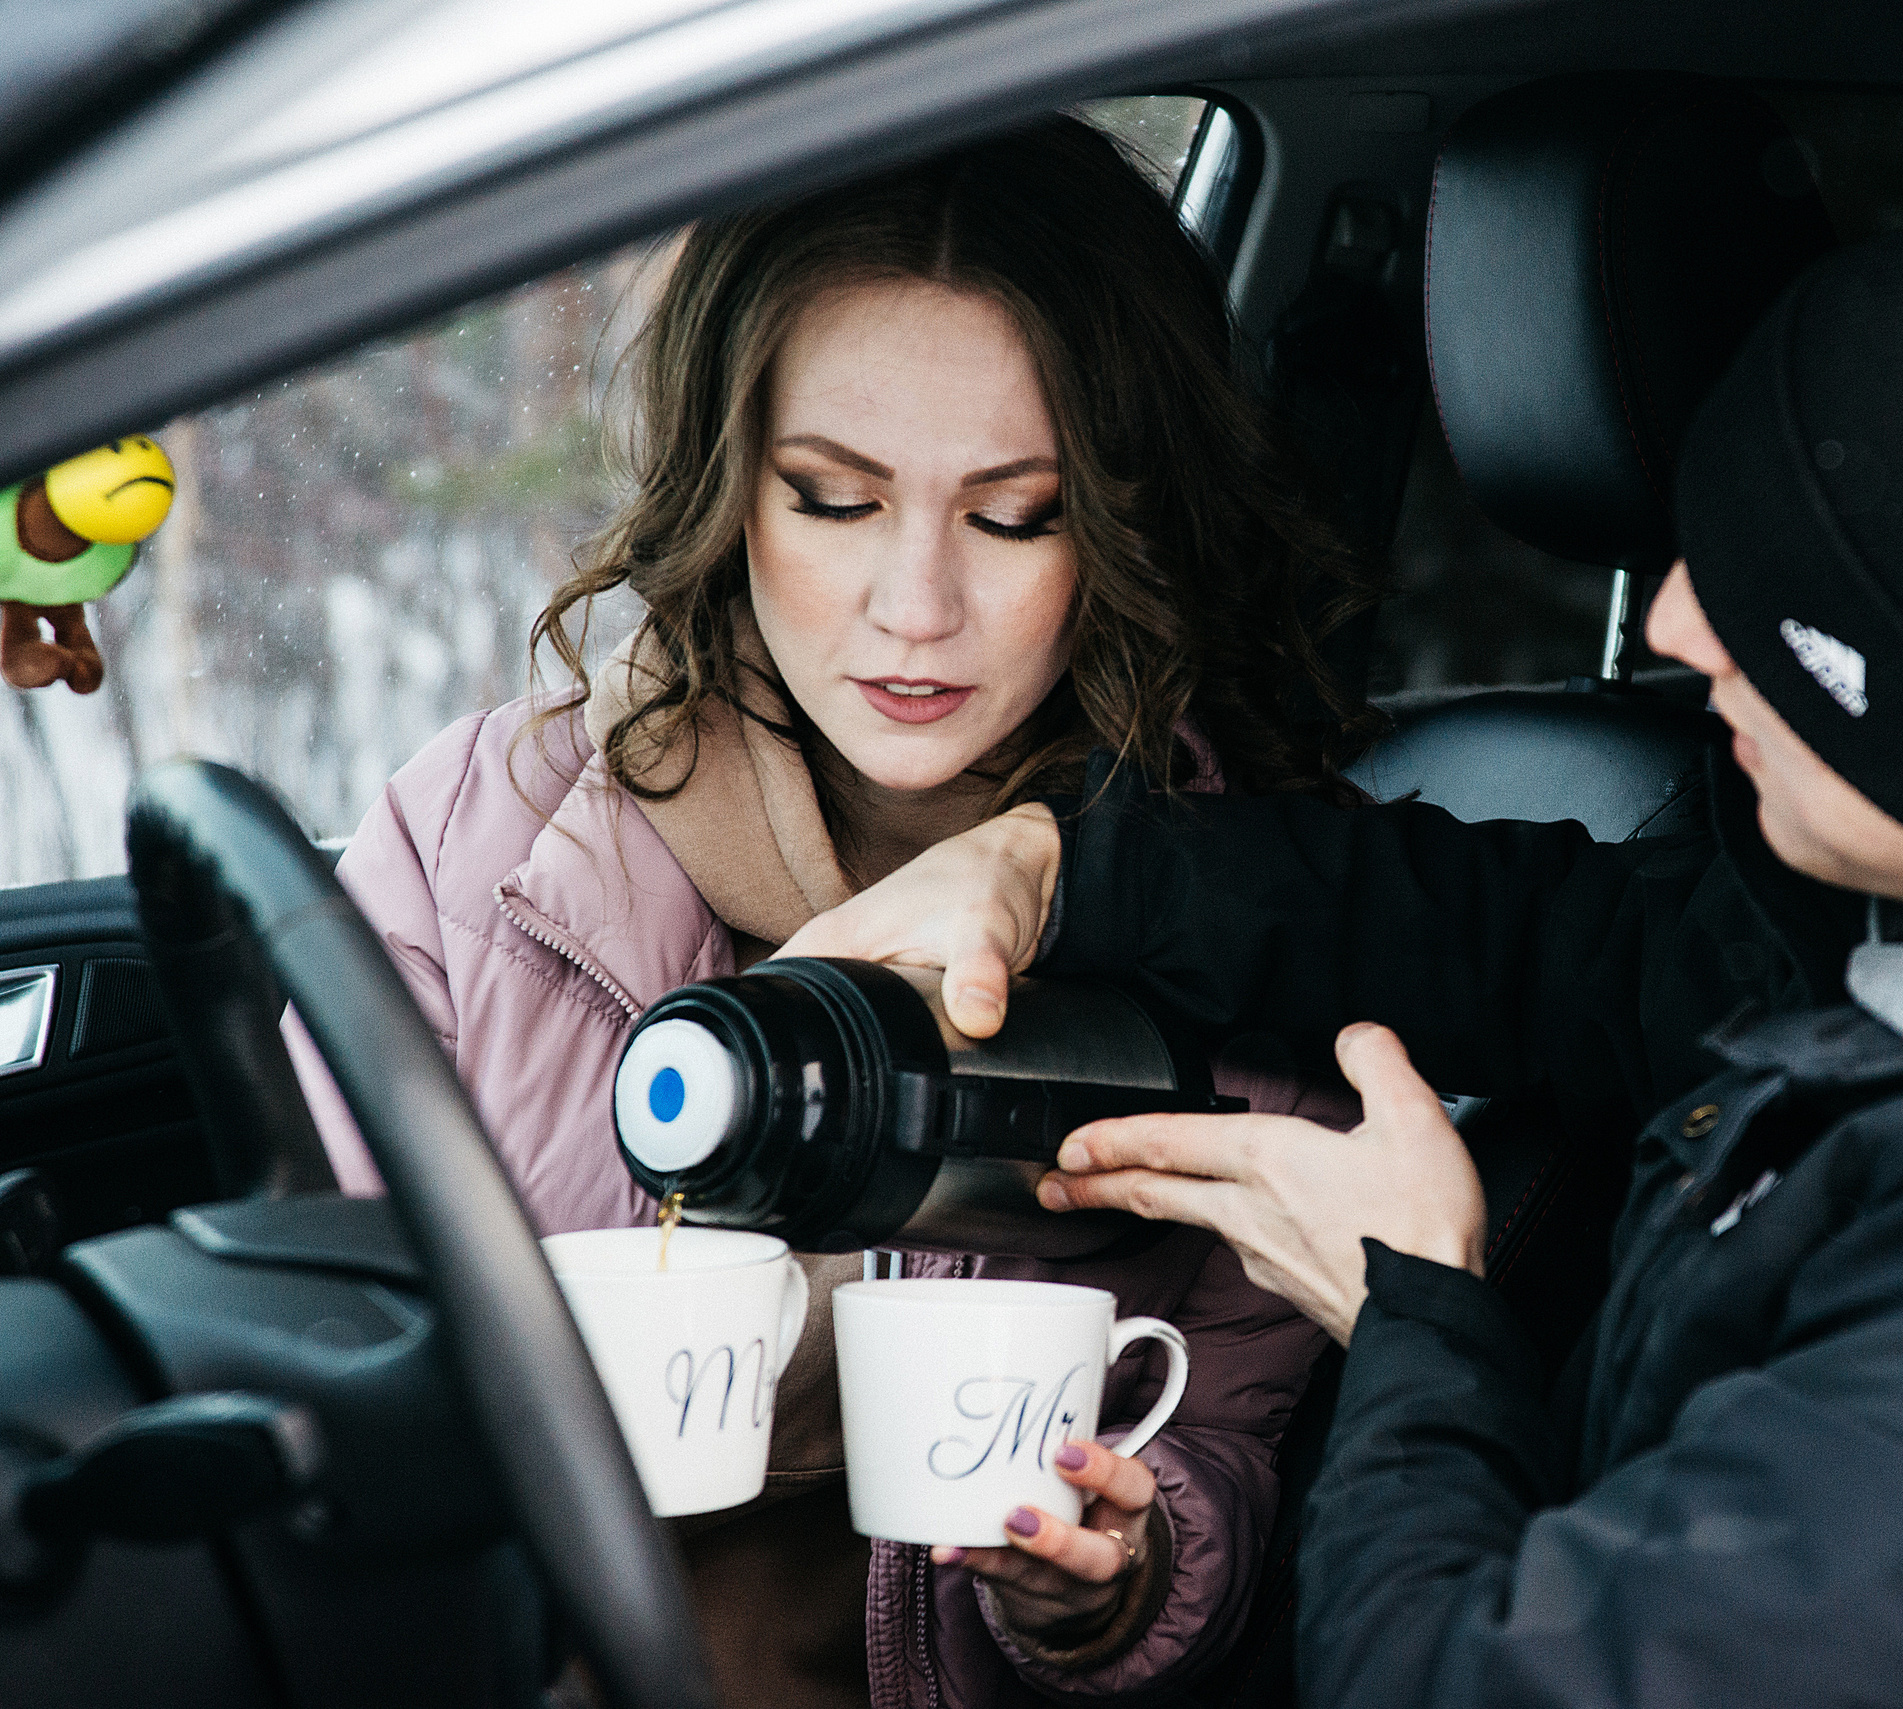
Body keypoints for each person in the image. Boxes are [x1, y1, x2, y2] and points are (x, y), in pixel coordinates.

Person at [779, 185, 1903, 1705]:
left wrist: (1418, 1307)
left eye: (1779, 605)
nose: (1679, 634)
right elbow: (1578, 946)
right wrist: (1065, 874)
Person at [286, 118, 1370, 1708]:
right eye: (831, 500)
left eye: (1013, 516)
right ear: (731, 496)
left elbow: (1223, 1475)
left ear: (1127, 527)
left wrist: (1111, 1581)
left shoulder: (1254, 936)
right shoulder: (483, 837)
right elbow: (331, 1343)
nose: (914, 607)